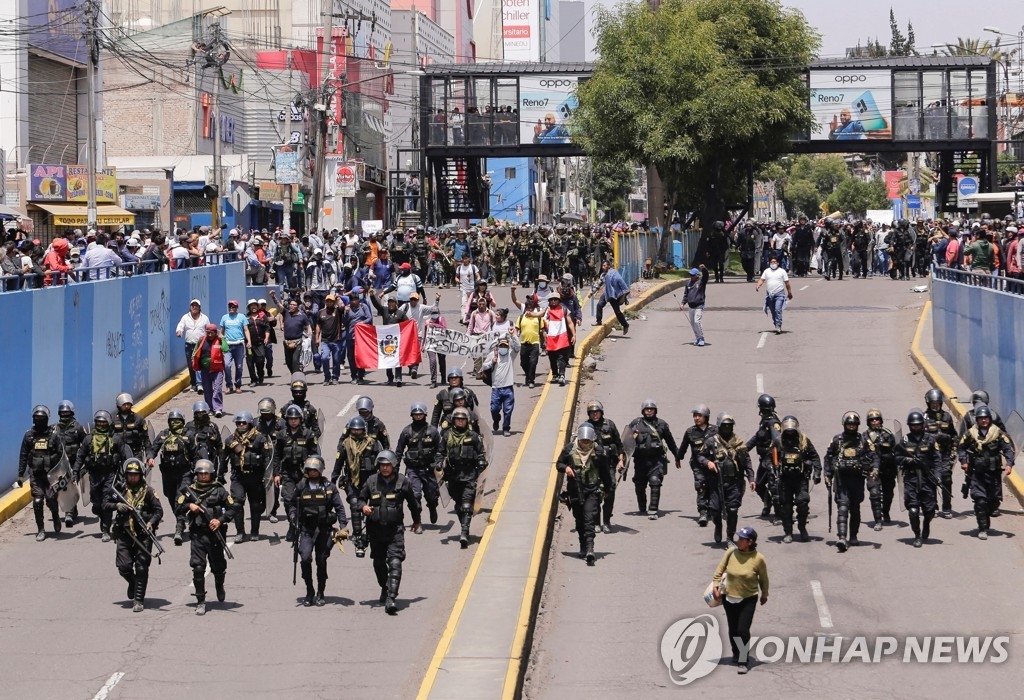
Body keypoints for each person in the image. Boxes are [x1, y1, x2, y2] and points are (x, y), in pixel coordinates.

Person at [358, 451, 421, 614]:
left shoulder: (403, 482)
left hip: (395, 530)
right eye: (382, 465)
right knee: (378, 563)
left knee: (395, 562)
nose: (385, 468)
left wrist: (416, 521)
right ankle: (385, 587)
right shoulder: (371, 481)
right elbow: (360, 499)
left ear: (393, 466)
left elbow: (413, 503)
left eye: (387, 465)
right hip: (375, 530)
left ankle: (391, 598)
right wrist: (363, 506)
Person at [175, 459, 236, 616]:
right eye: (200, 474)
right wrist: (189, 506)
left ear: (211, 475)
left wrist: (220, 520)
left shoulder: (219, 490)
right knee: (198, 567)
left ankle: (219, 585)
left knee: (218, 567)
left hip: (216, 534)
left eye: (206, 474)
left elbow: (232, 508)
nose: (203, 476)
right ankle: (200, 601)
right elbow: (178, 507)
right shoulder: (189, 491)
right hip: (198, 534)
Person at [286, 455, 348, 607]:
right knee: (305, 558)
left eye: (314, 470)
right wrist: (293, 516)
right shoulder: (301, 486)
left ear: (319, 470)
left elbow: (339, 508)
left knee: (321, 560)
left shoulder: (329, 487)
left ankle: (321, 592)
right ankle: (310, 590)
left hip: (324, 530)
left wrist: (343, 526)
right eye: (309, 470)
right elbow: (292, 503)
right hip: (306, 529)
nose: (312, 473)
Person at [104, 458, 162, 612]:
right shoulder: (119, 490)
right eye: (130, 475)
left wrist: (150, 523)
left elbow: (158, 511)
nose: (133, 477)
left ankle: (138, 600)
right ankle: (133, 582)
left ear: (141, 475)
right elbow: (105, 504)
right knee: (123, 567)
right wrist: (117, 505)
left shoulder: (149, 492)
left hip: (143, 534)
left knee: (142, 566)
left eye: (136, 475)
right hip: (124, 533)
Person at [711, 526, 769, 674]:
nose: (738, 541)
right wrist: (716, 588)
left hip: (748, 598)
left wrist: (764, 594)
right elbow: (719, 571)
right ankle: (736, 654)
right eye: (738, 538)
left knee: (743, 630)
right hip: (729, 597)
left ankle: (743, 660)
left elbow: (764, 579)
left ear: (750, 542)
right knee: (733, 630)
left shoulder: (758, 559)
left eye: (741, 539)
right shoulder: (731, 552)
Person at [556, 423, 615, 565]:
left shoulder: (598, 452)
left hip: (592, 491)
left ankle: (590, 550)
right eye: (583, 441)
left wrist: (608, 489)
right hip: (575, 491)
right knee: (580, 520)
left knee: (589, 519)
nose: (585, 443)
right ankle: (582, 546)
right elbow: (558, 464)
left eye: (588, 441)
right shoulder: (569, 449)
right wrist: (567, 468)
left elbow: (605, 473)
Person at [824, 412, 879, 552]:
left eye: (854, 424)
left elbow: (874, 456)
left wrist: (875, 469)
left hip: (857, 480)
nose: (852, 427)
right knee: (843, 507)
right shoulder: (837, 440)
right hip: (841, 480)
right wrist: (827, 474)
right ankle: (842, 537)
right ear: (844, 424)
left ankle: (853, 536)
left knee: (855, 508)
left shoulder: (863, 440)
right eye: (849, 424)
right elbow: (828, 457)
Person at [958, 405, 1015, 540]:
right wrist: (964, 461)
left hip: (994, 473)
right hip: (977, 474)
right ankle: (982, 528)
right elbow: (961, 448)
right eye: (981, 418)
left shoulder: (998, 433)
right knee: (980, 501)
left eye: (986, 418)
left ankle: (986, 517)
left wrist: (1009, 464)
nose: (983, 421)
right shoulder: (970, 433)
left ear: (990, 419)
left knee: (993, 503)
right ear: (977, 420)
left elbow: (1008, 448)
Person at [433, 407, 488, 548]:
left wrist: (482, 461)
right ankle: (464, 524)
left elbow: (481, 452)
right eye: (458, 419)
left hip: (469, 475)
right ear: (453, 421)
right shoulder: (447, 436)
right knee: (458, 505)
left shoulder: (474, 436)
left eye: (463, 420)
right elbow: (440, 452)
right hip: (453, 476)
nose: (460, 422)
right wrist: (439, 463)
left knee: (466, 505)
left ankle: (464, 531)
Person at [76, 410, 133, 542]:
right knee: (97, 505)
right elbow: (80, 457)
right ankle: (103, 519)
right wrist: (75, 473)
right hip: (94, 475)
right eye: (99, 422)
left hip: (110, 475)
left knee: (107, 501)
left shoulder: (115, 439)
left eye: (103, 422)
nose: (101, 424)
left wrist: (127, 475)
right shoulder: (88, 439)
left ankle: (106, 530)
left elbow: (125, 457)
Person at [331, 416, 383, 558]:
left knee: (373, 509)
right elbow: (338, 463)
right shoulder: (345, 444)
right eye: (353, 430)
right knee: (355, 506)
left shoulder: (373, 443)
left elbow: (383, 462)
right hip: (352, 482)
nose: (356, 432)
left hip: (371, 481)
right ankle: (358, 537)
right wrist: (332, 480)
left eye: (359, 429)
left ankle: (373, 535)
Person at [699, 414, 755, 545]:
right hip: (716, 483)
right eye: (724, 426)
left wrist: (751, 478)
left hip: (734, 482)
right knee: (715, 510)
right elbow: (700, 456)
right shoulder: (711, 441)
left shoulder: (738, 442)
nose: (727, 428)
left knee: (732, 510)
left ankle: (730, 537)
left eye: (729, 426)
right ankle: (718, 526)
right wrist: (708, 462)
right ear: (719, 426)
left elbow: (747, 460)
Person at [273, 405, 321, 543]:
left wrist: (314, 473)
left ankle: (302, 526)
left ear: (300, 419)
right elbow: (276, 456)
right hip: (287, 472)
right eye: (291, 419)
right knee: (288, 500)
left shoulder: (308, 434)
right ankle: (293, 524)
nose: (293, 421)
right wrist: (276, 473)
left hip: (304, 473)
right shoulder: (281, 435)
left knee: (304, 500)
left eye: (296, 418)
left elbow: (315, 454)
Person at [626, 399, 681, 520]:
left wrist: (677, 456)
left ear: (655, 410)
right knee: (639, 485)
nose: (649, 411)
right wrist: (621, 458)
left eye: (651, 409)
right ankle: (642, 507)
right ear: (643, 411)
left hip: (656, 460)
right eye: (647, 409)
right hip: (640, 461)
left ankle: (653, 509)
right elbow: (626, 442)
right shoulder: (635, 424)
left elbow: (670, 441)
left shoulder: (662, 424)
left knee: (655, 482)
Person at [223, 411, 272, 544]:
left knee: (255, 505)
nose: (241, 425)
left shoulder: (259, 438)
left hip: (255, 477)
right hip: (238, 477)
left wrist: (269, 475)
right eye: (238, 423)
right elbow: (224, 458)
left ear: (249, 423)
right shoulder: (230, 440)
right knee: (237, 503)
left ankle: (255, 531)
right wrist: (220, 475)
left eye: (243, 422)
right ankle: (240, 532)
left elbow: (267, 457)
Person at [895, 411, 941, 548]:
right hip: (911, 478)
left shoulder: (931, 439)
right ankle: (917, 535)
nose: (916, 427)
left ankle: (926, 523)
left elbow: (937, 459)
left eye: (918, 425)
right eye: (913, 425)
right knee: (913, 510)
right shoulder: (904, 440)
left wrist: (938, 476)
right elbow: (896, 458)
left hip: (928, 478)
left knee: (930, 510)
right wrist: (907, 460)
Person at [147, 409, 195, 543]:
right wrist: (150, 458)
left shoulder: (189, 436)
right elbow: (153, 448)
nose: (175, 423)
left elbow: (196, 455)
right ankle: (182, 516)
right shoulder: (163, 435)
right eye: (172, 421)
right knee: (170, 495)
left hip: (184, 473)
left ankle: (179, 528)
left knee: (179, 498)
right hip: (168, 474)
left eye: (177, 421)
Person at [18, 405, 64, 541]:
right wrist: (20, 475)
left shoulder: (54, 435)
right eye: (37, 418)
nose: (39, 420)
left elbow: (61, 455)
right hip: (35, 474)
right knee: (37, 501)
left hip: (51, 475)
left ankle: (55, 516)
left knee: (51, 499)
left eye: (41, 418)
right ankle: (41, 530)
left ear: (47, 419)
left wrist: (63, 474)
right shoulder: (29, 436)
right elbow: (23, 455)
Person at [775, 416, 821, 543]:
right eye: (787, 429)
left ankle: (802, 527)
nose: (790, 431)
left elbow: (815, 457)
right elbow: (770, 458)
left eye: (792, 428)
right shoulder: (778, 441)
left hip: (800, 479)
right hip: (785, 480)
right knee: (786, 507)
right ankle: (788, 532)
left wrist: (817, 472)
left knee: (803, 503)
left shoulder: (804, 441)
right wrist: (772, 468)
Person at [395, 403, 443, 524]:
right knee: (415, 495)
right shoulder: (406, 431)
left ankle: (432, 508)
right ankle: (418, 520)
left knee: (432, 497)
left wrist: (438, 464)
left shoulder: (433, 431)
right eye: (415, 414)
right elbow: (399, 451)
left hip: (429, 470)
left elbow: (440, 450)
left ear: (425, 414)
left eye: (420, 414)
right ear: (412, 415)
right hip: (413, 469)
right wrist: (394, 470)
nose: (418, 417)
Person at [583, 401, 625, 534]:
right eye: (592, 413)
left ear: (601, 412)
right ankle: (596, 522)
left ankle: (606, 521)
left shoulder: (609, 425)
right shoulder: (585, 427)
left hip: (609, 465)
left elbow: (619, 444)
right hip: (593, 467)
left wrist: (621, 460)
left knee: (610, 490)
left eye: (597, 412)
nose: (595, 415)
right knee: (594, 493)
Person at [676, 404, 717, 527]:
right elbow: (683, 447)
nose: (696, 418)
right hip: (698, 465)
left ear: (706, 417)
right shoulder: (690, 432)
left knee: (714, 487)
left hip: (713, 464)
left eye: (699, 416)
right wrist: (678, 458)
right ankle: (703, 512)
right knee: (701, 486)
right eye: (695, 416)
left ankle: (713, 509)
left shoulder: (715, 430)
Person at [923, 389, 958, 519]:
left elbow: (954, 435)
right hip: (930, 455)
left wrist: (953, 447)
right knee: (932, 479)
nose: (935, 406)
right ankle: (933, 506)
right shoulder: (923, 417)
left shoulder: (947, 417)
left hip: (945, 453)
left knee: (946, 479)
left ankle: (947, 507)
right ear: (928, 403)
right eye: (933, 403)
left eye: (937, 403)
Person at [54, 400, 88, 527]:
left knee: (69, 485)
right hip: (60, 464)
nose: (64, 415)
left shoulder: (78, 428)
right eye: (62, 413)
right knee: (63, 488)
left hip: (74, 463)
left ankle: (69, 513)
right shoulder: (54, 429)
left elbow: (86, 444)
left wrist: (85, 462)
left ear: (72, 412)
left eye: (67, 413)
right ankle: (72, 509)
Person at [482, 332, 521, 437]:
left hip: (508, 387)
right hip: (496, 388)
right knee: (494, 409)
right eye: (501, 346)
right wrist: (492, 362)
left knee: (508, 410)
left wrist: (513, 335)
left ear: (508, 347)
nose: (503, 348)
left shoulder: (511, 355)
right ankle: (496, 419)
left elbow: (518, 346)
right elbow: (484, 366)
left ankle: (506, 428)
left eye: (505, 346)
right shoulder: (493, 355)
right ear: (498, 346)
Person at [863, 409, 898, 526]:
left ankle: (886, 512)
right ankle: (878, 520)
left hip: (888, 469)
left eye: (877, 419)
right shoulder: (863, 437)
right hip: (872, 470)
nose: (874, 421)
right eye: (872, 420)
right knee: (874, 493)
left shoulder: (888, 434)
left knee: (888, 494)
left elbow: (896, 450)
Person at [191, 324, 226, 417]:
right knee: (207, 390)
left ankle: (218, 408)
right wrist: (193, 360)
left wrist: (222, 339)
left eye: (212, 333)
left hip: (217, 369)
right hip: (205, 369)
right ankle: (210, 408)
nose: (209, 335)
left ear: (215, 332)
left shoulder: (219, 340)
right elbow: (196, 351)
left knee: (217, 389)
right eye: (208, 332)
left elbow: (226, 349)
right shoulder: (202, 340)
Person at [176, 299, 210, 393]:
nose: (194, 307)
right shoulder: (185, 317)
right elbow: (180, 325)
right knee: (191, 366)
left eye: (196, 306)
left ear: (199, 307)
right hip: (189, 345)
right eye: (192, 305)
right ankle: (193, 383)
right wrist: (179, 331)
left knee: (199, 364)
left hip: (200, 345)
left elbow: (208, 329)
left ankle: (200, 384)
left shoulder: (204, 318)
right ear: (190, 307)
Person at [219, 300, 252, 394]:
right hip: (228, 347)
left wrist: (249, 341)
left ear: (237, 308)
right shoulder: (224, 318)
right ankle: (229, 385)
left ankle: (238, 385)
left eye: (233, 306)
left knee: (239, 366)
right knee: (226, 366)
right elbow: (221, 332)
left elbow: (246, 330)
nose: (231, 308)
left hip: (239, 346)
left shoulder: (241, 317)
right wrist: (222, 339)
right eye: (230, 306)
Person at [754, 255, 793, 334]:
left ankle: (778, 325)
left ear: (778, 263)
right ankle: (776, 323)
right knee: (773, 311)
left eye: (774, 262)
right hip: (770, 295)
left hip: (779, 294)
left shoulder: (782, 271)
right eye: (771, 262)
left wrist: (789, 293)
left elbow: (787, 283)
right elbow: (762, 279)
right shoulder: (766, 271)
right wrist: (758, 285)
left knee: (778, 309)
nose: (773, 264)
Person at [542, 294, 575, 386]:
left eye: (555, 299)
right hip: (551, 338)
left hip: (561, 337)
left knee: (561, 358)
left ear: (559, 300)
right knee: (552, 358)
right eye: (551, 299)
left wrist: (574, 335)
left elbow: (570, 322)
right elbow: (543, 322)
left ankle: (562, 375)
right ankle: (555, 375)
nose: (553, 301)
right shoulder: (547, 310)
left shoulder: (564, 310)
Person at [315, 294, 345, 386]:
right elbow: (318, 325)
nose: (329, 302)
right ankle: (327, 377)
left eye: (331, 301)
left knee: (336, 360)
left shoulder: (338, 310)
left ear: (333, 302)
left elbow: (342, 306)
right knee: (324, 358)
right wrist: (317, 337)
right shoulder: (321, 312)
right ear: (325, 302)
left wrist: (338, 298)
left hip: (336, 340)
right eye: (327, 301)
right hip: (325, 340)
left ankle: (335, 377)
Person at [112, 392, 152, 461]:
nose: (127, 406)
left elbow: (146, 438)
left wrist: (149, 456)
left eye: (128, 404)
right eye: (124, 404)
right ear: (119, 405)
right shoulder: (113, 420)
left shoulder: (138, 419)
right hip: (118, 453)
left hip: (135, 453)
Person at [595, 260, 630, 334]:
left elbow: (620, 281)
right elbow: (599, 284)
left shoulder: (614, 273)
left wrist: (625, 293)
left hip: (614, 294)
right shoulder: (603, 275)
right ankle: (598, 321)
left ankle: (625, 325)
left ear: (608, 266)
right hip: (607, 293)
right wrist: (592, 292)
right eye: (603, 266)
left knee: (617, 311)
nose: (603, 267)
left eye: (605, 265)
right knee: (599, 305)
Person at [680, 265, 709, 346]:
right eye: (690, 275)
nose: (691, 276)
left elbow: (706, 275)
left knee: (697, 321)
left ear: (697, 275)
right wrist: (682, 303)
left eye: (693, 275)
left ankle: (701, 338)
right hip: (691, 306)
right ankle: (697, 338)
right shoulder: (688, 283)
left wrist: (704, 269)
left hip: (699, 305)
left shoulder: (701, 281)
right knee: (692, 323)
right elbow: (686, 294)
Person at [245, 299, 270, 386]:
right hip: (249, 344)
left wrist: (266, 338)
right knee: (250, 362)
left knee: (261, 359)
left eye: (254, 305)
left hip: (260, 343)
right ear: (249, 308)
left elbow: (267, 328)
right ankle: (253, 380)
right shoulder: (246, 317)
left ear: (257, 306)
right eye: (251, 306)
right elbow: (244, 329)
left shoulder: (262, 316)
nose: (253, 307)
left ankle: (260, 374)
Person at [423, 300, 448, 388]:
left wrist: (435, 325)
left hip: (441, 344)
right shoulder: (427, 322)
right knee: (433, 361)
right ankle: (433, 380)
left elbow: (444, 329)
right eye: (433, 313)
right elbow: (425, 334)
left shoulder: (442, 319)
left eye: (436, 313)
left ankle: (443, 377)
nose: (434, 314)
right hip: (431, 344)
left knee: (442, 361)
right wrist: (423, 345)